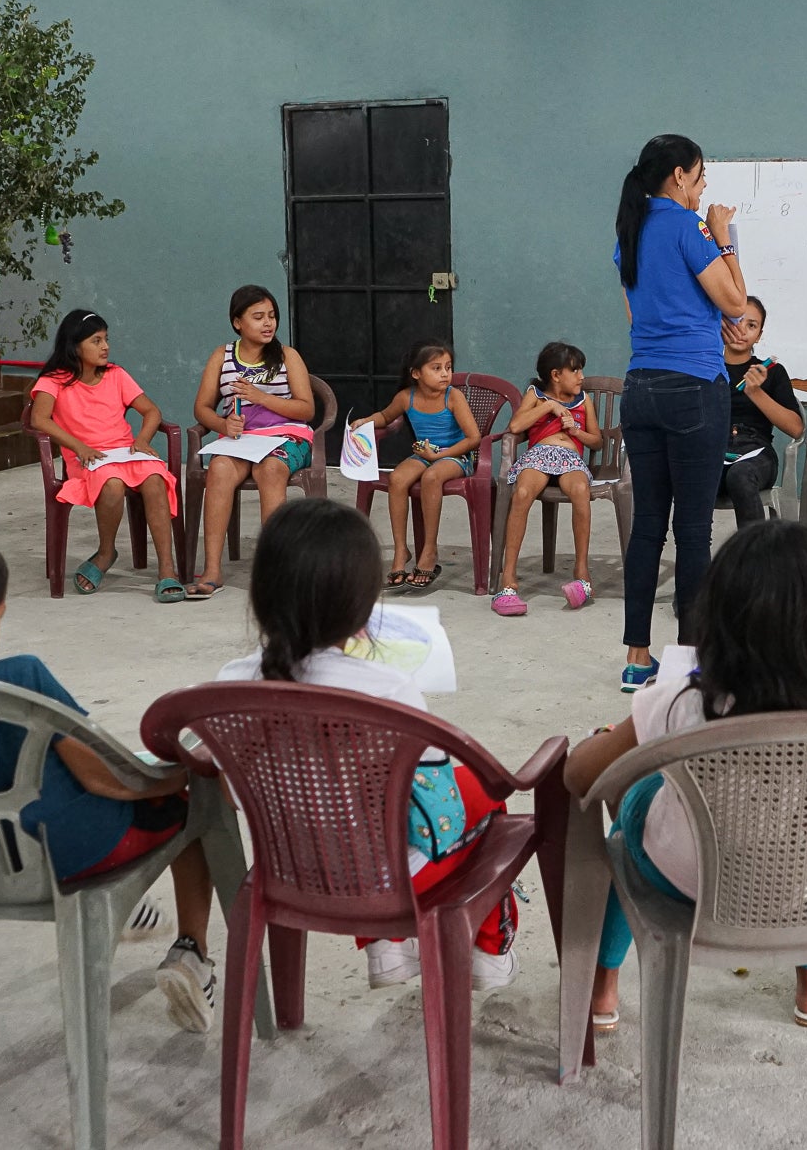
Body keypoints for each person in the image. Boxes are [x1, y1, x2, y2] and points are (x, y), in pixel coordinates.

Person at [565, 518, 807, 1031]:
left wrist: (619, 740)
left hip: (684, 881)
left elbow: (581, 776)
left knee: (633, 804)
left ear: (715, 623)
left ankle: (602, 987)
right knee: (798, 831)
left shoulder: (677, 704)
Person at [0, 524, 221, 1030]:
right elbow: (105, 778)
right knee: (193, 806)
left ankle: (129, 907)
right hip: (61, 853)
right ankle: (192, 953)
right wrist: (172, 778)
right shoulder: (20, 679)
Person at [217, 498, 520, 991]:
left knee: (345, 813)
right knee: (484, 798)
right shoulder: (389, 691)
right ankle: (489, 952)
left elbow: (226, 787)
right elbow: (433, 783)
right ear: (363, 606)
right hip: (389, 882)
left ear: (261, 595)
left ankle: (386, 949)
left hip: (286, 870)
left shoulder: (229, 685)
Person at [614, 134, 753, 693]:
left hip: (640, 388)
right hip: (694, 388)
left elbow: (639, 313)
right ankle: (691, 661)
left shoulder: (629, 228)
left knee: (648, 524)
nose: (701, 190)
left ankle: (636, 657)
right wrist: (725, 240)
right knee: (693, 530)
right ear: (677, 176)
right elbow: (738, 303)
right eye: (699, 179)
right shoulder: (686, 226)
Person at [28, 309, 184, 602]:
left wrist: (142, 439)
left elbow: (151, 411)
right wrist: (78, 446)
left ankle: (167, 567)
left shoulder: (116, 375)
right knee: (111, 483)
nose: (105, 347)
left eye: (106, 339)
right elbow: (39, 419)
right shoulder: (54, 380)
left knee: (154, 478)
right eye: (96, 341)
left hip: (126, 452)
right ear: (75, 346)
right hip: (88, 459)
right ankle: (106, 552)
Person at [186, 285, 316, 600]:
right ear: (237, 322)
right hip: (240, 440)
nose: (268, 323)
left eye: (271, 316)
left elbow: (306, 409)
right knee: (218, 471)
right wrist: (222, 424)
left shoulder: (288, 356)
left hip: (287, 437)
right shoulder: (223, 356)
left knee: (271, 470)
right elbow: (202, 408)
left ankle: (276, 569)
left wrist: (262, 397)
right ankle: (212, 570)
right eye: (258, 317)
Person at [352, 341, 484, 593]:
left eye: (448, 367)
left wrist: (440, 455)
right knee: (398, 478)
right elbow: (385, 416)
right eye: (436, 368)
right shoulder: (406, 397)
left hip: (454, 457)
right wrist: (368, 420)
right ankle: (401, 549)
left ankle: (430, 550)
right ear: (416, 373)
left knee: (432, 477)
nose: (445, 373)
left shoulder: (453, 396)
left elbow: (473, 438)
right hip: (424, 454)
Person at [493, 342, 602, 616]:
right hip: (538, 456)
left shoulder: (584, 400)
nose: (581, 377)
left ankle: (582, 574)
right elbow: (516, 427)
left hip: (570, 459)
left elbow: (597, 442)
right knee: (522, 493)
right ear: (555, 375)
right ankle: (508, 579)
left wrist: (576, 432)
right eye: (575, 371)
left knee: (579, 490)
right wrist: (548, 407)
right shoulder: (535, 395)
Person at [720, 296, 804, 528]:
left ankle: (755, 558)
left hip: (756, 453)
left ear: (760, 334)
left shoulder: (773, 372)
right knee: (692, 476)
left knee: (740, 475)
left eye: (751, 325)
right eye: (735, 321)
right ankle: (698, 559)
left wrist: (755, 392)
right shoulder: (705, 366)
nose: (742, 331)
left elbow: (796, 428)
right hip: (713, 448)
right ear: (721, 323)